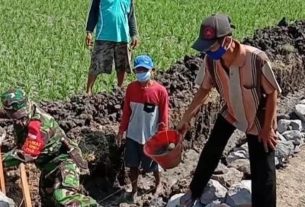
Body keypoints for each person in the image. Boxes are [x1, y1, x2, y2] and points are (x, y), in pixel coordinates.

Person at [177, 14, 281, 207]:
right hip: (232, 111)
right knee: (211, 150)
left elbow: (273, 92)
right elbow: (204, 89)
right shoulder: (211, 61)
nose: (208, 50)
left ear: (226, 40)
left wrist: (268, 128)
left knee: (263, 171)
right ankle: (194, 191)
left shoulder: (256, 59)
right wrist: (186, 117)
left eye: (211, 46)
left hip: (258, 116)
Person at [0, 88, 99, 207]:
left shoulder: (40, 125)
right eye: (15, 118)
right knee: (48, 201)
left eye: (21, 117)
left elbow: (28, 154)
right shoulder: (24, 114)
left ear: (27, 106)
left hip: (65, 163)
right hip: (48, 167)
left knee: (63, 196)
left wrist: (2, 160)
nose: (19, 122)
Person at [116, 55, 169, 202]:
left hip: (151, 135)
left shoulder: (160, 91)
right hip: (133, 133)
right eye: (138, 69)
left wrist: (163, 135)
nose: (141, 72)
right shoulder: (131, 88)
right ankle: (134, 189)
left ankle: (158, 184)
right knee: (132, 164)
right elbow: (126, 111)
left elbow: (164, 116)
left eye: (144, 69)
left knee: (153, 163)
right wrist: (122, 130)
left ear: (152, 70)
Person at [85, 0, 139, 96]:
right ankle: (88, 90)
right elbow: (94, 11)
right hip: (104, 35)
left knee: (122, 65)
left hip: (123, 36)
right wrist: (89, 31)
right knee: (96, 64)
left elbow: (131, 16)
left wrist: (134, 34)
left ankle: (120, 88)